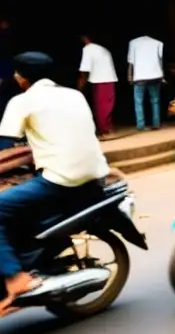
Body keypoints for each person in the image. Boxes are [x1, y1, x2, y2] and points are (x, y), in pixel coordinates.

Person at [0, 53, 110, 313]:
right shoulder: (74, 95)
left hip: (61, 182)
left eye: (16, 73)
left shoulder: (22, 101)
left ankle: (16, 279)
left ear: (22, 77)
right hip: (95, 174)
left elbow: (5, 142)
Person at [78, 34, 118, 139]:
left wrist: (80, 85)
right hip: (110, 78)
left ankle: (104, 130)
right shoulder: (103, 49)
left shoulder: (88, 49)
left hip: (100, 80)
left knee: (101, 106)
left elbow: (84, 69)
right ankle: (108, 127)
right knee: (108, 105)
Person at [127, 31, 163, 131]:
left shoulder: (133, 42)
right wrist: (162, 76)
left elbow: (131, 62)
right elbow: (160, 61)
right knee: (155, 101)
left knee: (138, 102)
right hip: (155, 76)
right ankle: (156, 123)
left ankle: (141, 125)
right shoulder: (158, 43)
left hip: (139, 77)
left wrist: (129, 76)